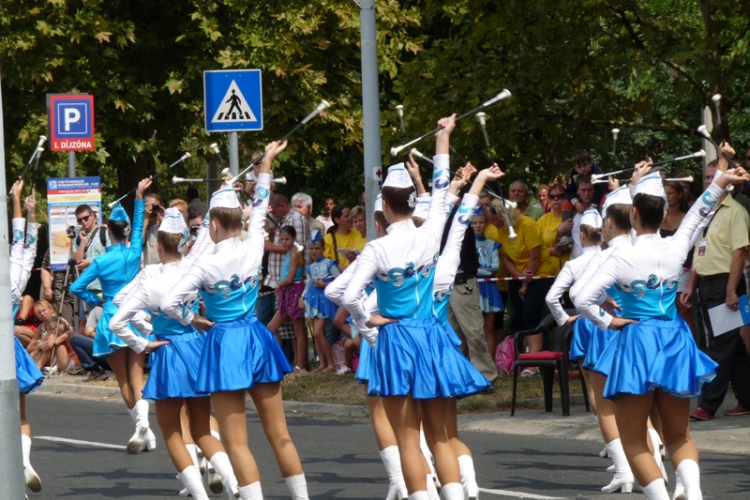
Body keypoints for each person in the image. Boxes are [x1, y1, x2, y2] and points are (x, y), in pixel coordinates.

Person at [576, 165, 747, 500]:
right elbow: (700, 211)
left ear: (634, 213)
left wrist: (607, 321)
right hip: (672, 339)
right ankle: (694, 494)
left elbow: (581, 298)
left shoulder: (619, 256)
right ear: (663, 211)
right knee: (678, 435)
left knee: (634, 438)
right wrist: (722, 180)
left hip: (638, 341)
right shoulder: (676, 245)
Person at [341, 115, 490, 500]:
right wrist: (444, 138)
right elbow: (442, 188)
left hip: (397, 338)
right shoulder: (430, 234)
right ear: (410, 201)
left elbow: (347, 296)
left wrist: (369, 323)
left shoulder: (377, 248)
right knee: (440, 436)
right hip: (431, 336)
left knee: (408, 439)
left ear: (385, 207)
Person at [161, 140, 309, 500]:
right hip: (257, 338)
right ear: (237, 220)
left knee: (236, 441)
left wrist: (191, 318)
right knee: (280, 434)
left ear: (211, 223)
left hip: (225, 342)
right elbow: (259, 206)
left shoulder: (203, 264)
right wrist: (267, 164)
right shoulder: (253, 245)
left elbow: (168, 302)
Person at [109, 207, 239, 498]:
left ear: (158, 244)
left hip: (168, 351)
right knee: (203, 429)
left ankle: (200, 496)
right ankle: (234, 484)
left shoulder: (149, 278)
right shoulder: (195, 269)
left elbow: (116, 317)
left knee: (172, 432)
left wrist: (143, 338)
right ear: (183, 243)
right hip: (197, 347)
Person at [71, 177, 156, 454]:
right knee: (137, 378)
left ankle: (142, 426)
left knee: (122, 381)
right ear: (126, 231)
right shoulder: (133, 253)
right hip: (136, 317)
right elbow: (140, 223)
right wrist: (140, 196)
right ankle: (146, 429)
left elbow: (76, 286)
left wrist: (95, 298)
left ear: (108, 233)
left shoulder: (100, 261)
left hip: (111, 319)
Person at [682, 155, 750, 422]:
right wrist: (690, 285)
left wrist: (732, 290)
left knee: (719, 346)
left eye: (714, 177)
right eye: (708, 179)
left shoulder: (736, 211)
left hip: (727, 284)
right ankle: (746, 399)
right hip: (706, 285)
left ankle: (707, 404)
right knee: (736, 348)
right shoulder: (706, 211)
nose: (710, 182)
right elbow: (701, 253)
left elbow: (739, 252)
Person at [8, 180, 44, 494]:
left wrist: (20, 202)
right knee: (19, 413)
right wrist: (26, 207)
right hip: (9, 349)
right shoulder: (15, 278)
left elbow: (19, 239)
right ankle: (25, 462)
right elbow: (26, 245)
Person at [489, 198, 555, 356]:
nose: (492, 224)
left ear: (502, 217)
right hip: (517, 276)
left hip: (539, 274)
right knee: (517, 316)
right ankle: (522, 357)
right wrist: (519, 277)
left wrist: (526, 282)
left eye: (493, 220)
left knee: (531, 315)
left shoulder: (528, 224)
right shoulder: (501, 229)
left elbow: (535, 257)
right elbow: (505, 257)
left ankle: (535, 359)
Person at [267, 225, 308, 372]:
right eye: (282, 239)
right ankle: (282, 362)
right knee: (271, 328)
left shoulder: (296, 253)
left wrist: (279, 285)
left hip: (294, 291)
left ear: (294, 238)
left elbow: (290, 278)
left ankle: (301, 365)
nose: (284, 242)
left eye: (287, 239)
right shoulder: (290, 253)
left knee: (299, 328)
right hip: (286, 292)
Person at [300, 230, 340, 372]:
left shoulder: (329, 264)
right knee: (316, 336)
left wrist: (325, 285)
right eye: (311, 248)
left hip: (323, 301)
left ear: (323, 248)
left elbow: (340, 281)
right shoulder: (310, 267)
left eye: (317, 248)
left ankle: (331, 364)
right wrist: (302, 297)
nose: (314, 251)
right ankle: (322, 364)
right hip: (312, 300)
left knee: (318, 332)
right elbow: (308, 284)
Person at [472, 207, 503, 359]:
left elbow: (497, 267)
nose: (478, 226)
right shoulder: (467, 244)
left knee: (489, 328)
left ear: (486, 224)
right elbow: (469, 269)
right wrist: (486, 269)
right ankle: (475, 362)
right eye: (475, 223)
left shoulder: (492, 244)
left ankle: (490, 363)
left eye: (481, 222)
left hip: (489, 287)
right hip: (473, 287)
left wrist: (478, 268)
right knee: (473, 329)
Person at [72, 203, 110, 294]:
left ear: (92, 215)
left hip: (103, 286)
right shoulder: (78, 237)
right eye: (80, 220)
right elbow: (77, 262)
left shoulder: (105, 233)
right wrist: (82, 243)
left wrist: (89, 263)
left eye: (85, 218)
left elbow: (111, 258)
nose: (83, 222)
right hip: (86, 287)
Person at [536, 183, 573, 277]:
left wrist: (565, 247)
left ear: (566, 198)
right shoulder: (542, 220)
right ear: (549, 199)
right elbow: (534, 249)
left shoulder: (573, 217)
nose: (556, 199)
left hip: (571, 273)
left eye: (560, 196)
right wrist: (551, 250)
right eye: (552, 196)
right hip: (548, 275)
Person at [324, 205, 365, 270]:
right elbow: (324, 262)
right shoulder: (328, 239)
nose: (350, 218)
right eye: (346, 216)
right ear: (337, 220)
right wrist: (338, 266)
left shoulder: (358, 234)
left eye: (350, 215)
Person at [570, 175, 595, 259]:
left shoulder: (601, 209)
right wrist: (559, 232)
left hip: (596, 264)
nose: (587, 194)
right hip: (575, 264)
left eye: (590, 189)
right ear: (577, 191)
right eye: (583, 190)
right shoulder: (571, 212)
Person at [142, 192, 165, 266]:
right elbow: (139, 241)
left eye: (154, 205)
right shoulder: (143, 226)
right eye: (148, 205)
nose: (151, 208)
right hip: (148, 269)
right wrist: (146, 218)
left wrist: (166, 220)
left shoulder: (167, 224)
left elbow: (179, 246)